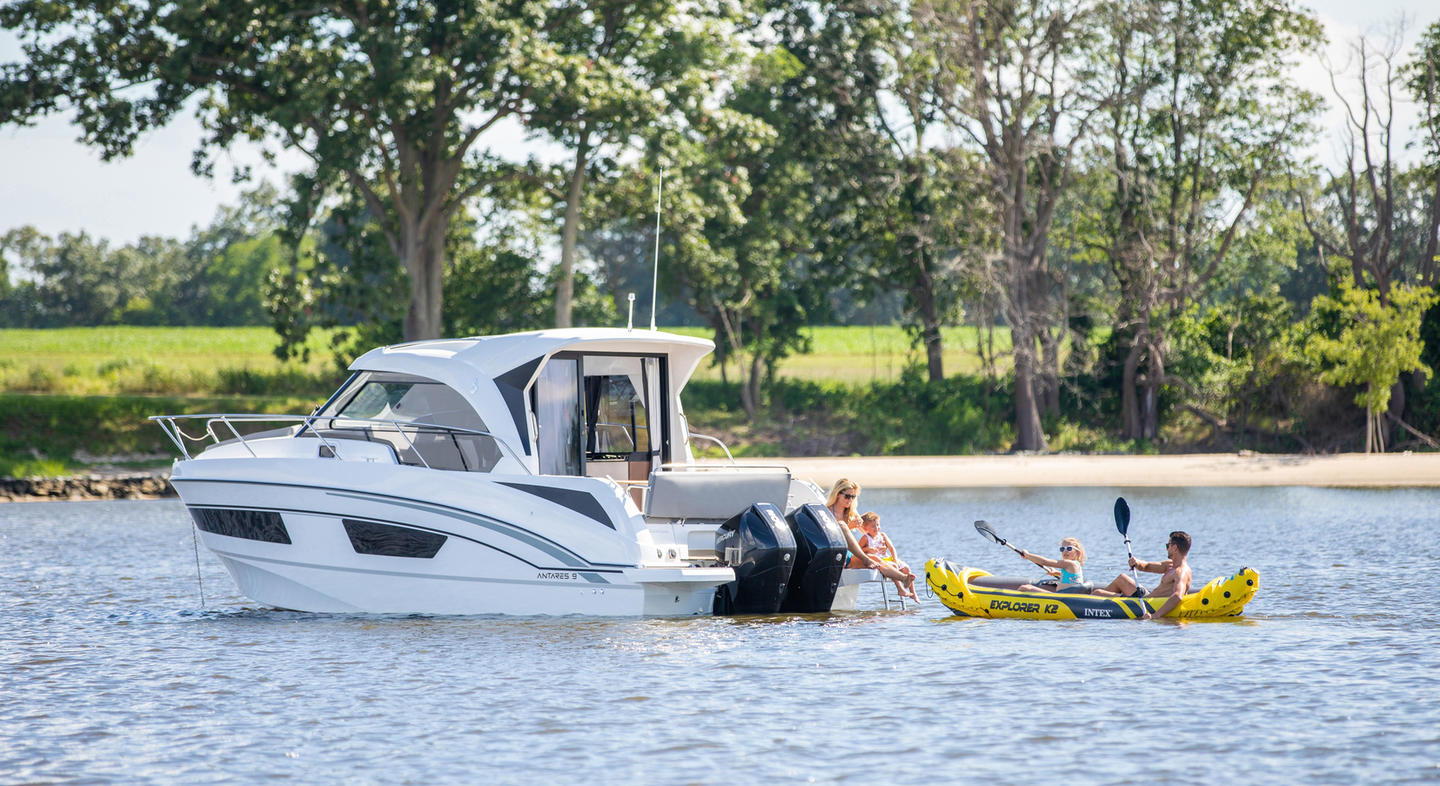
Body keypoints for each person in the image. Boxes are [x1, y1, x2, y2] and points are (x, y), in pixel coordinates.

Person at [825, 478, 918, 601]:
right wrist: (849, 527)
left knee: (875, 558)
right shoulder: (827, 512)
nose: (850, 500)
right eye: (847, 496)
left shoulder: (851, 512)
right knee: (869, 557)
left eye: (853, 497)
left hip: (850, 555)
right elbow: (829, 537)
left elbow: (868, 534)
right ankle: (902, 579)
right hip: (836, 554)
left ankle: (904, 579)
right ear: (837, 494)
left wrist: (879, 542)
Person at [1091, 530, 1193, 620]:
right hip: (1147, 597)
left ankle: (1089, 604)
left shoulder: (1181, 572)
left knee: (1097, 593)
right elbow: (1147, 566)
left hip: (1147, 603)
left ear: (1174, 548)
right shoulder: (1169, 565)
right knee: (1122, 578)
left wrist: (1155, 616)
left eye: (1168, 545)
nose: (1167, 548)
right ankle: (1108, 604)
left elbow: (1177, 596)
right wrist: (1136, 563)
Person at [857, 511, 918, 601]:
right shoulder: (865, 538)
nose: (877, 528)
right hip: (879, 561)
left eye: (878, 525)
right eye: (873, 526)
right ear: (865, 528)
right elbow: (857, 550)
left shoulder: (882, 535)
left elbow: (892, 548)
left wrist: (895, 559)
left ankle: (913, 593)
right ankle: (900, 589)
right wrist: (868, 549)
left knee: (906, 568)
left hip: (887, 557)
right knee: (893, 566)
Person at [1015, 537, 1086, 593]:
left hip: (1062, 599)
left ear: (1078, 553)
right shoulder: (1075, 565)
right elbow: (1071, 577)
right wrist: (1056, 572)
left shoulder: (1069, 563)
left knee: (1025, 588)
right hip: (1065, 596)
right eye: (1062, 549)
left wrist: (1027, 555)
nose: (1065, 551)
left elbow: (1044, 562)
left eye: (1069, 548)